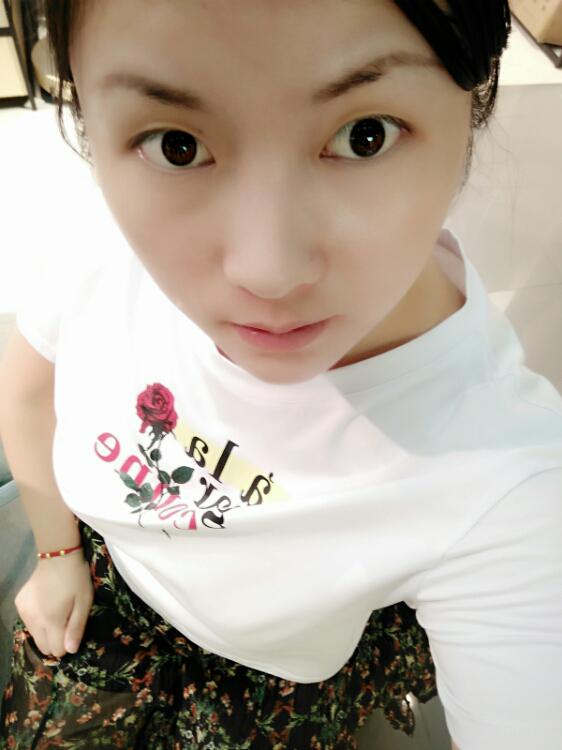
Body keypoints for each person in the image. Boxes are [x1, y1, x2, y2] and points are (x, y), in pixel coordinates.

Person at [0, 0, 560, 748]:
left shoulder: (509, 485)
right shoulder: (103, 239)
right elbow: (30, 387)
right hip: (103, 597)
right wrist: (56, 554)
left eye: (364, 136)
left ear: (475, 96)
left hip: (278, 685)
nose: (267, 271)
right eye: (176, 146)